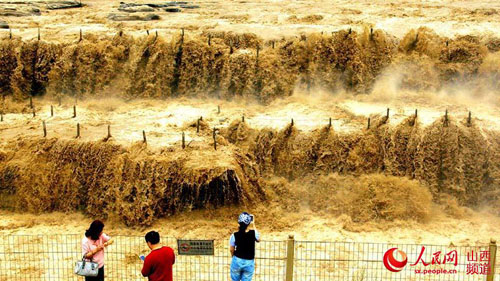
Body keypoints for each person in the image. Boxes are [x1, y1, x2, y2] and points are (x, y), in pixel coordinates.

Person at [229, 212, 260, 281]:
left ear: (239, 222)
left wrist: (233, 257)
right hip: (249, 261)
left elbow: (231, 249)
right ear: (249, 223)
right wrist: (253, 224)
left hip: (237, 260)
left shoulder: (234, 235)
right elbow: (258, 239)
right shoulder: (253, 233)